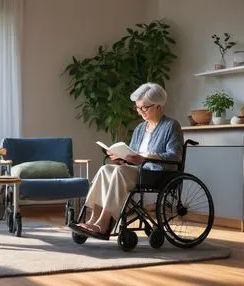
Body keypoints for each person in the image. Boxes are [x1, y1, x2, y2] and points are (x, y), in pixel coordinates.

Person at [70, 82, 184, 239]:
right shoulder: (139, 128)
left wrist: (145, 157)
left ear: (158, 105)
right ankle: (91, 220)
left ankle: (103, 223)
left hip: (158, 173)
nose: (140, 111)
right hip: (137, 170)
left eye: (144, 107)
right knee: (106, 169)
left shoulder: (171, 125)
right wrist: (122, 158)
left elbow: (175, 156)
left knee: (118, 173)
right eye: (138, 107)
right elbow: (131, 155)